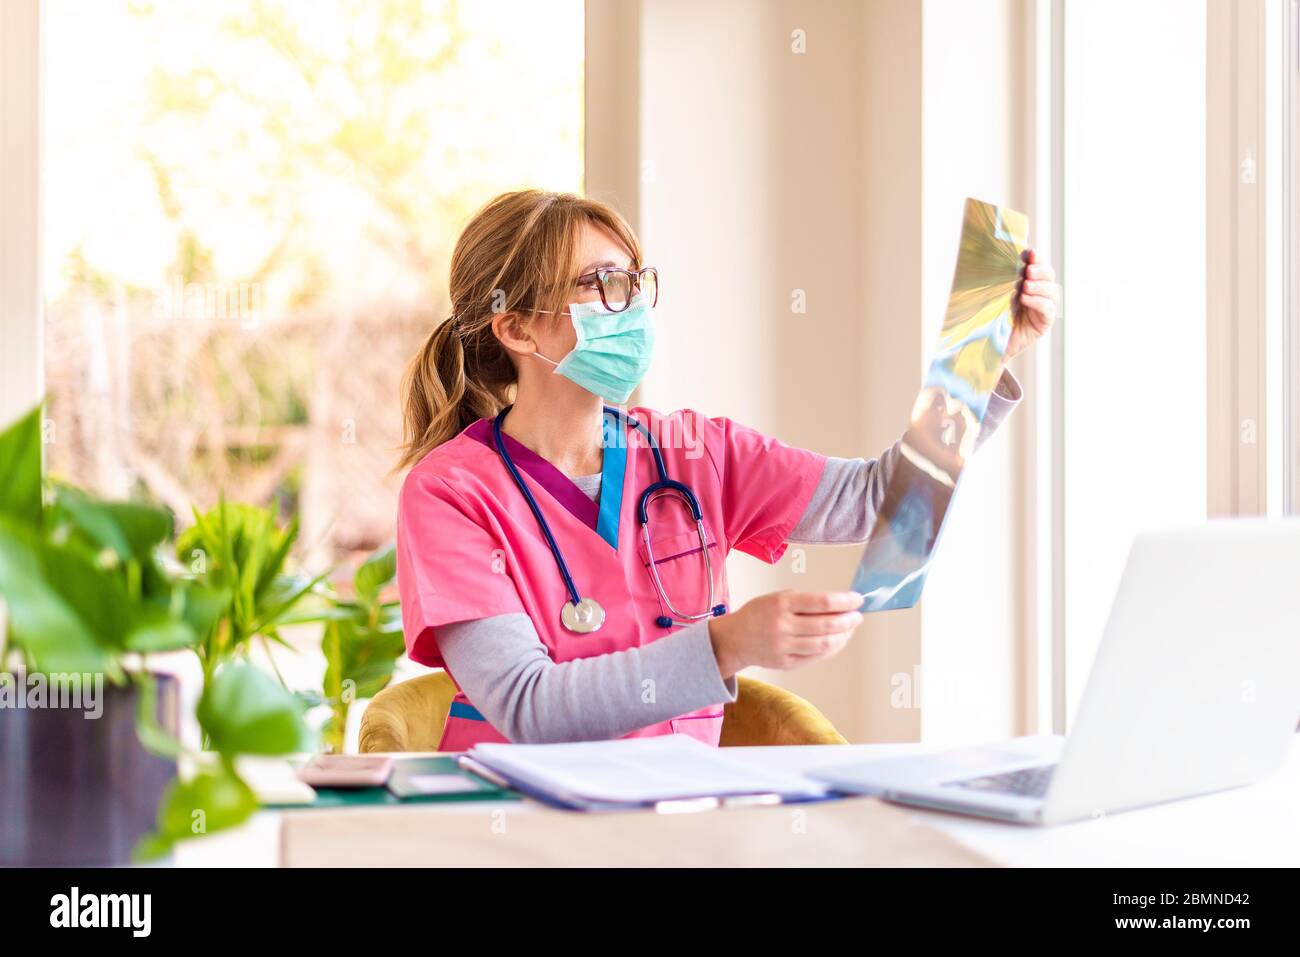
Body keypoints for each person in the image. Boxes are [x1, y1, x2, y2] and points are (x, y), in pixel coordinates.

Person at [395, 190, 1059, 748]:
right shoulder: (451, 493)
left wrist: (983, 361)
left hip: (683, 821)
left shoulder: (693, 449)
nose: (632, 305)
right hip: (519, 832)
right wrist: (725, 644)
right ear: (515, 328)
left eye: (635, 280)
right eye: (602, 285)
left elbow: (877, 500)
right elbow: (528, 706)